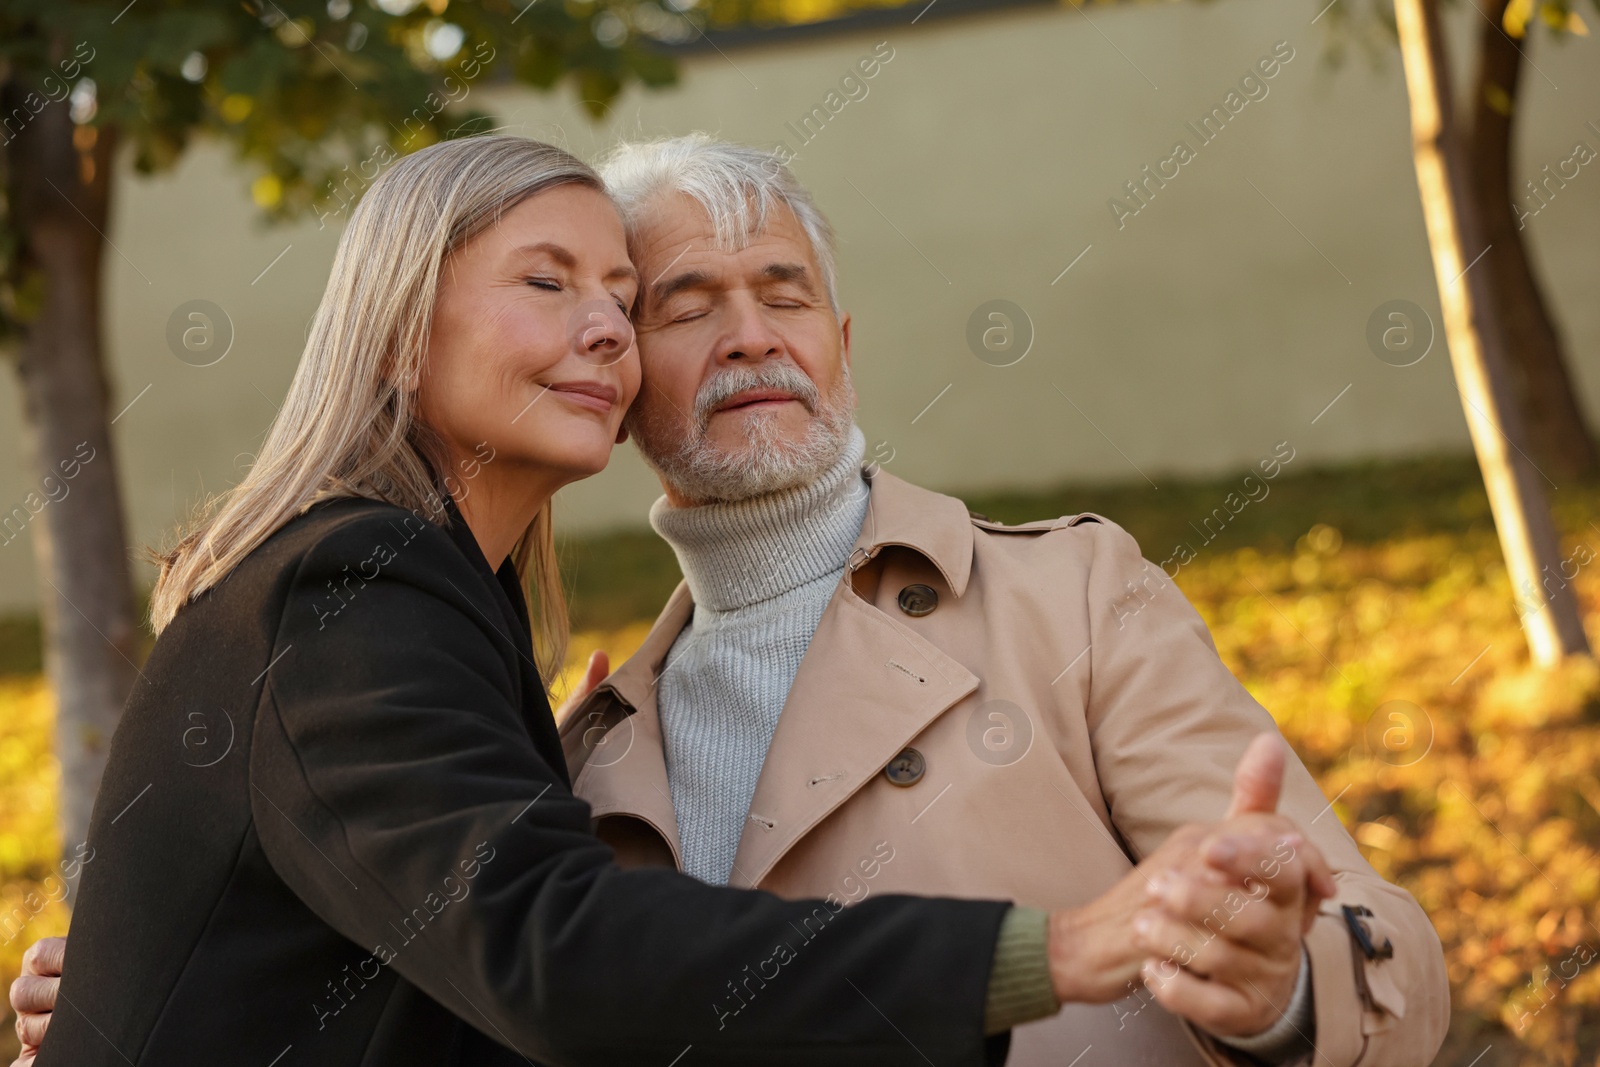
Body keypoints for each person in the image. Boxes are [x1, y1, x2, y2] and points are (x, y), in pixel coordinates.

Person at [6, 134, 1223, 1067]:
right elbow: (555, 954)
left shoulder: (449, 617)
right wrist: (1048, 949)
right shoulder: (349, 585)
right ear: (392, 334)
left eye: (620, 297)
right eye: (550, 284)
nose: (605, 329)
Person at [546, 135, 1450, 1065]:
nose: (753, 335)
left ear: (842, 345)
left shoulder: (1077, 597)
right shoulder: (596, 752)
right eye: (687, 309)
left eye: (785, 297)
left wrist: (1280, 988)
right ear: (617, 373)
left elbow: (1377, 940)